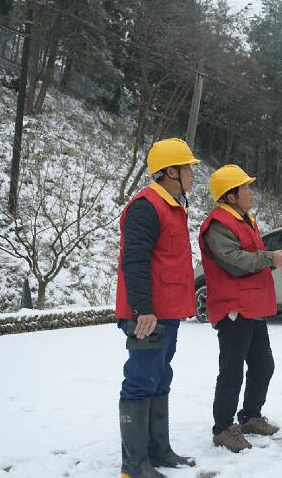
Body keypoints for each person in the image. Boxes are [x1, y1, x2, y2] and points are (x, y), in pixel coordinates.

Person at [115, 138, 200, 478]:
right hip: (147, 314)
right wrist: (142, 310)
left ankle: (158, 451)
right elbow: (133, 262)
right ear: (170, 172)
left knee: (160, 376)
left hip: (167, 311)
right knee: (140, 381)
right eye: (188, 167)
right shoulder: (145, 207)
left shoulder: (172, 206)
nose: (194, 173)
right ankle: (133, 465)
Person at [198, 164, 282, 452]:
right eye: (245, 188)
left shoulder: (244, 219)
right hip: (233, 309)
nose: (251, 192)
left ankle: (250, 416)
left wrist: (273, 259)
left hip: (253, 307)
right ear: (230, 195)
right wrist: (269, 258)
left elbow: (251, 257)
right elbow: (234, 262)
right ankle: (223, 427)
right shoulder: (218, 224)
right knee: (231, 371)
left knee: (264, 365)